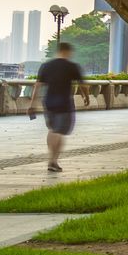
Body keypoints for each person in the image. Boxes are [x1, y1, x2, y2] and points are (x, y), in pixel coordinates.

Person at [29, 41, 89, 173]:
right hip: (65, 103)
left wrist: (32, 104)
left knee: (52, 129)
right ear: (68, 52)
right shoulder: (72, 66)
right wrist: (86, 97)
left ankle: (52, 159)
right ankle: (53, 160)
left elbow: (37, 86)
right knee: (59, 131)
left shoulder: (46, 66)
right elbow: (83, 85)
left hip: (49, 102)